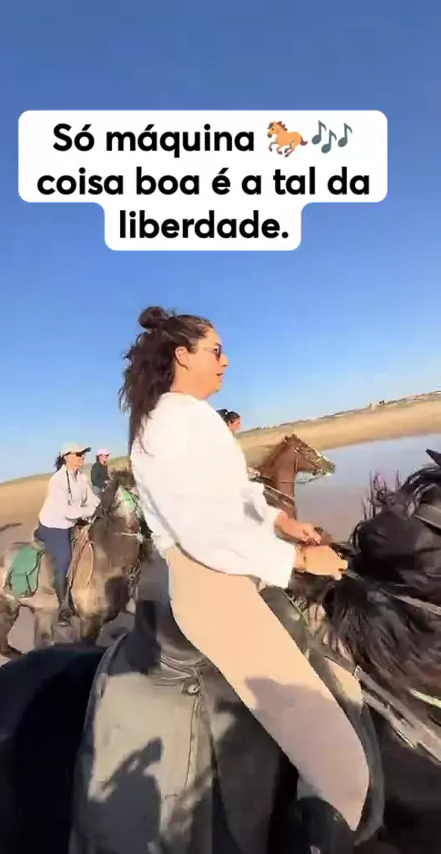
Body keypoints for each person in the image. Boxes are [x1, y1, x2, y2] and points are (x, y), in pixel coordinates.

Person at [121, 306, 368, 852]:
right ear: (183, 355)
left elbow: (234, 495)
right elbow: (205, 529)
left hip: (233, 569)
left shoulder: (191, 416)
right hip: (212, 585)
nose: (226, 360)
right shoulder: (169, 425)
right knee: (342, 768)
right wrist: (299, 560)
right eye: (215, 350)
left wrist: (282, 521)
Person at [36, 443, 100, 610]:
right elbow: (66, 512)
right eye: (78, 454)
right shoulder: (57, 481)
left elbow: (92, 500)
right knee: (65, 559)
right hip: (54, 525)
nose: (82, 457)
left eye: (83, 454)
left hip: (74, 520)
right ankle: (63, 605)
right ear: (67, 458)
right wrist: (90, 511)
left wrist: (101, 507)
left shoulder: (81, 476)